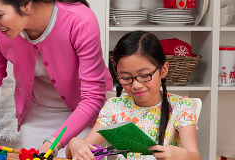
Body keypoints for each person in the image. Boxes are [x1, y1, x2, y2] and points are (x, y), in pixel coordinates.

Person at [0, 0, 113, 157]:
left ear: (26, 4)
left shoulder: (80, 21)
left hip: (84, 117)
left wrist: (53, 143)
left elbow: (93, 97)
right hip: (36, 114)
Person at [65, 31, 201, 160]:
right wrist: (74, 143)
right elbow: (78, 152)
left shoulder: (181, 107)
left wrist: (183, 155)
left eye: (144, 75)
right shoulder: (115, 107)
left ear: (163, 70)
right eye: (125, 77)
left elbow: (196, 156)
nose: (136, 85)